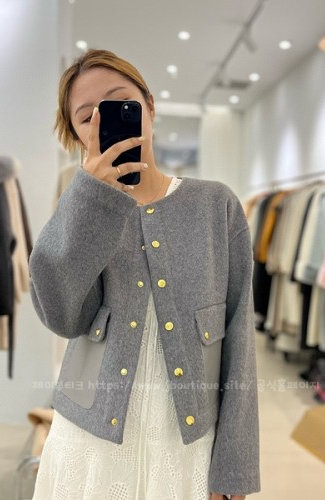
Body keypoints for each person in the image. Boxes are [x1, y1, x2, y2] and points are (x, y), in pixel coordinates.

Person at [29, 49, 260, 500]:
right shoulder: (77, 208)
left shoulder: (216, 205)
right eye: (87, 117)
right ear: (77, 135)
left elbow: (239, 338)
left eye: (120, 104)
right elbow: (61, 315)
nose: (104, 121)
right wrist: (92, 201)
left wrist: (236, 466)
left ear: (149, 108)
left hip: (185, 444)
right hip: (90, 441)